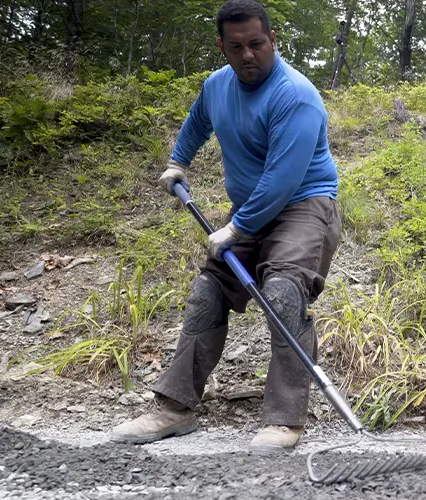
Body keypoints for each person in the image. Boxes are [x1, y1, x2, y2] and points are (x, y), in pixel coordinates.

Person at [110, 0, 341, 452]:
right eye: (236, 47)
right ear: (223, 46)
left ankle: (285, 419)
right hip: (252, 210)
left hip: (303, 206)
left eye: (257, 44)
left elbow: (282, 179)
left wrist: (236, 229)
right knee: (207, 292)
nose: (248, 55)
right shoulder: (217, 85)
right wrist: (178, 161)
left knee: (282, 291)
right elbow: (198, 121)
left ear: (273, 40)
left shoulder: (295, 95)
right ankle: (174, 409)